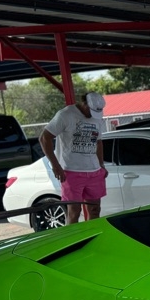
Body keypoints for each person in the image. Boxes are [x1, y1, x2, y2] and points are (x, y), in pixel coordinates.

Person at [40, 92, 108, 225]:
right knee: (74, 211)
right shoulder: (65, 115)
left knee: (95, 210)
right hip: (71, 171)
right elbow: (44, 138)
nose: (92, 115)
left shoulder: (97, 118)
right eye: (91, 111)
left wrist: (101, 164)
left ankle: (91, 238)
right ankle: (73, 242)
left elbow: (98, 142)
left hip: (94, 171)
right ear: (84, 103)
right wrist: (56, 166)